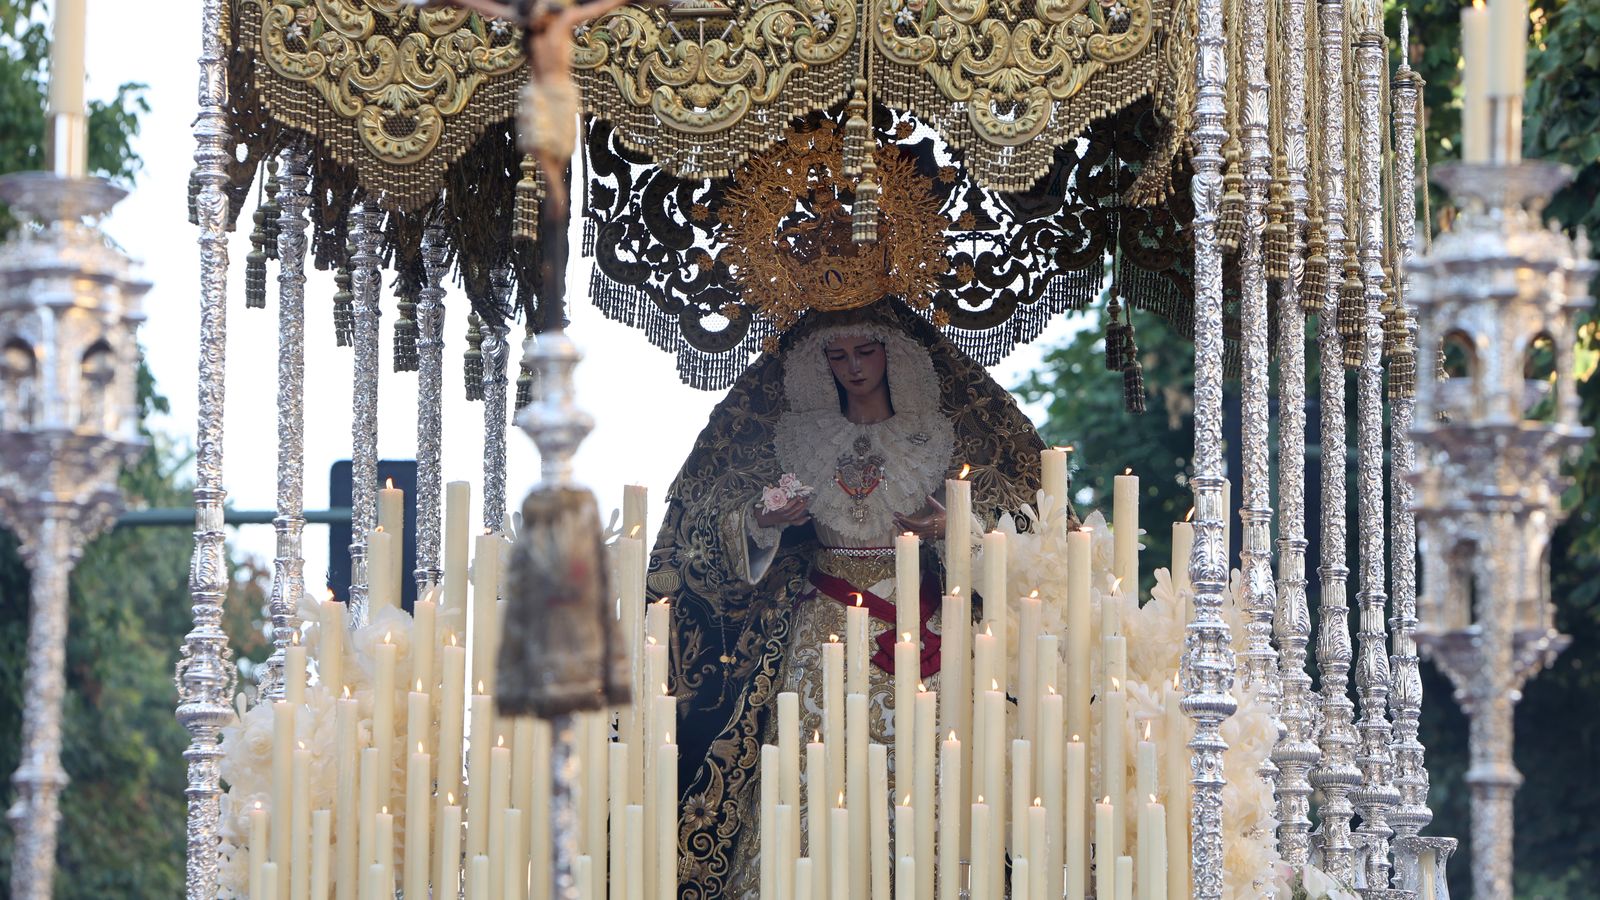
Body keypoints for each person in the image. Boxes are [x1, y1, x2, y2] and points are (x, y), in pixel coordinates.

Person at [648, 299, 1049, 898]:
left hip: (924, 627)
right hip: (819, 630)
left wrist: (952, 528)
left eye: (865, 352)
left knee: (932, 766)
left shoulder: (938, 434)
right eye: (837, 355)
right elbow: (705, 524)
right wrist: (765, 518)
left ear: (895, 355)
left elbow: (1026, 525)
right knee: (809, 763)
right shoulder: (797, 436)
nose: (853, 368)